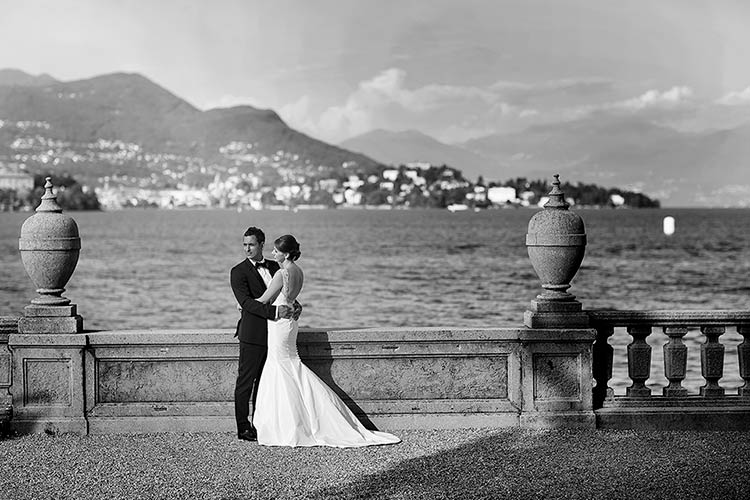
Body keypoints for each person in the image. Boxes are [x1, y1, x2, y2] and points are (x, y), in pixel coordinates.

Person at [251, 234, 400, 447]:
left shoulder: (281, 273)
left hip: (279, 325)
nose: (272, 254)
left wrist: (244, 303)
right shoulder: (298, 271)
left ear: (285, 254)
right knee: (292, 365)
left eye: (276, 251)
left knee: (280, 366)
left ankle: (288, 423)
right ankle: (304, 417)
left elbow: (265, 300)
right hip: (291, 324)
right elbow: (292, 299)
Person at [230, 226, 299, 442]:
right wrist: (275, 312)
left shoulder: (275, 266)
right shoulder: (238, 272)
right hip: (253, 334)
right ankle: (243, 428)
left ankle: (262, 424)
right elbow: (247, 304)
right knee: (245, 382)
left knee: (266, 382)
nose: (247, 249)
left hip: (276, 335)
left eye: (251, 244)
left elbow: (283, 293)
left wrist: (295, 305)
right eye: (244, 245)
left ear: (261, 244)